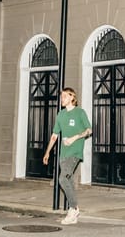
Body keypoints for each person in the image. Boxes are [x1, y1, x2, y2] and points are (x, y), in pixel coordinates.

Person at [43, 87, 92, 225]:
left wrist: (74, 137)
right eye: (61, 96)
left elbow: (89, 130)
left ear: (72, 97)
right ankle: (73, 216)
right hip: (63, 154)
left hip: (74, 152)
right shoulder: (61, 115)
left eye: (64, 96)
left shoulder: (80, 113)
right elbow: (54, 135)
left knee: (62, 179)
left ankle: (73, 208)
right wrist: (47, 152)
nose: (62, 98)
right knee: (68, 181)